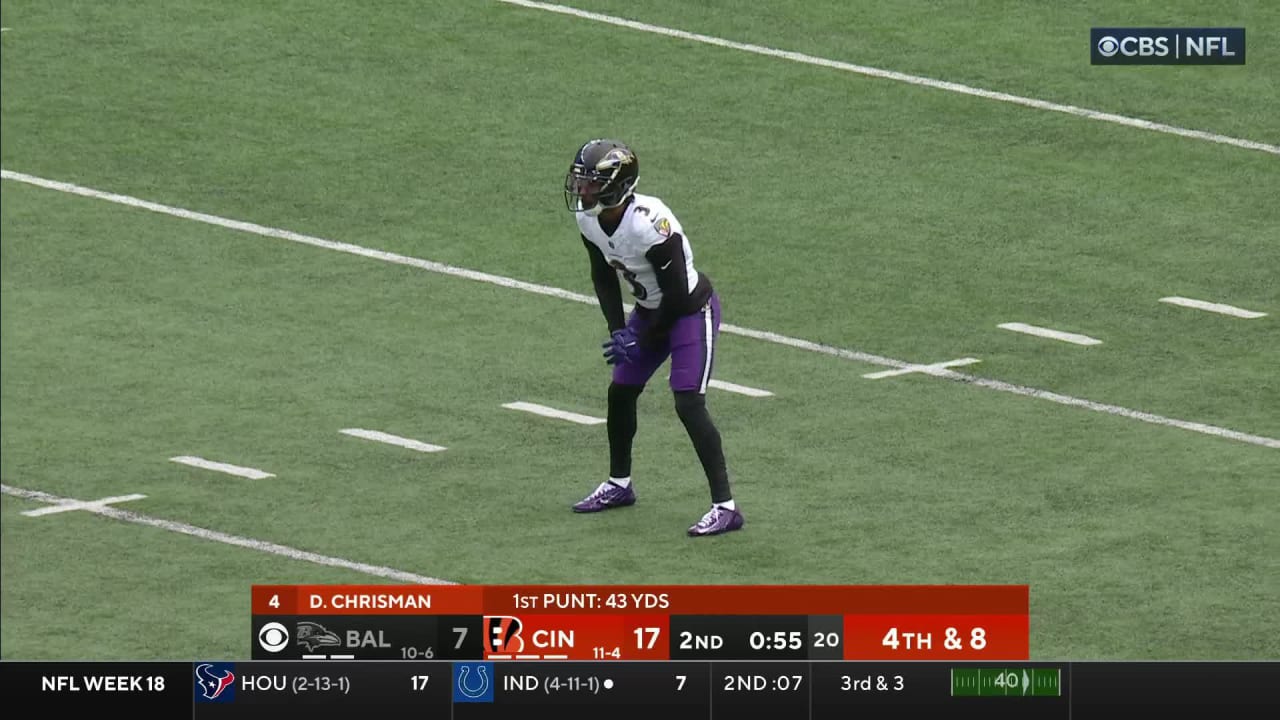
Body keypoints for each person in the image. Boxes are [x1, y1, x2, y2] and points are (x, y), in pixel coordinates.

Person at [563, 138, 744, 537]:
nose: (582, 190)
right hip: (651, 311)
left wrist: (639, 336)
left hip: (690, 312)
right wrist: (619, 330)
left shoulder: (650, 223)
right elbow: (603, 277)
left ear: (616, 185)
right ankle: (619, 484)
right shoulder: (589, 220)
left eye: (591, 183)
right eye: (581, 181)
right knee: (621, 390)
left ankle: (725, 507)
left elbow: (678, 296)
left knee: (688, 402)